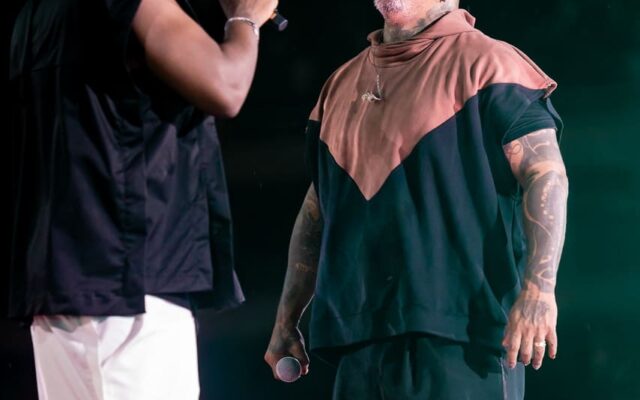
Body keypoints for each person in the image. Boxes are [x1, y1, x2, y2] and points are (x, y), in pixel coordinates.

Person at [264, 0, 569, 398]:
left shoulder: (490, 63)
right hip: (358, 341)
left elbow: (546, 175)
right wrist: (286, 318)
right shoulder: (340, 85)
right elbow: (317, 209)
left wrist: (539, 291)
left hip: (463, 337)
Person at [8, 0, 277, 398]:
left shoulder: (35, 15)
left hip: (59, 293)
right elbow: (225, 86)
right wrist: (245, 18)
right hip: (129, 287)